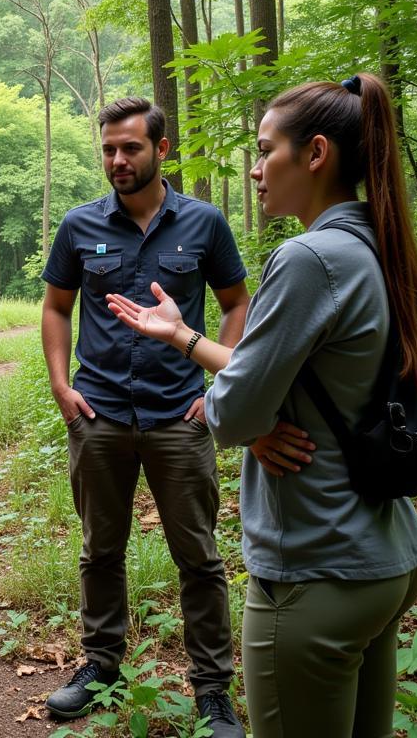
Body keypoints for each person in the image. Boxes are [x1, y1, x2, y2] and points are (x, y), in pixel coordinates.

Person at [107, 73, 417, 738]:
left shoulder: (309, 256)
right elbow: (286, 381)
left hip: (315, 566)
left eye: (265, 151)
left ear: (315, 154)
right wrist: (184, 335)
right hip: (385, 557)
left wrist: (247, 415)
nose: (255, 170)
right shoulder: (376, 240)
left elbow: (234, 415)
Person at [41, 96, 250, 737]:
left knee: (200, 558)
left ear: (162, 149)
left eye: (130, 147)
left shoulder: (205, 223)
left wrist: (218, 387)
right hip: (99, 415)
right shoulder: (79, 226)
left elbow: (237, 302)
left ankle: (212, 691)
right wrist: (60, 387)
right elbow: (55, 308)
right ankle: (101, 666)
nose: (116, 159)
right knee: (100, 550)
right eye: (108, 148)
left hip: (178, 419)